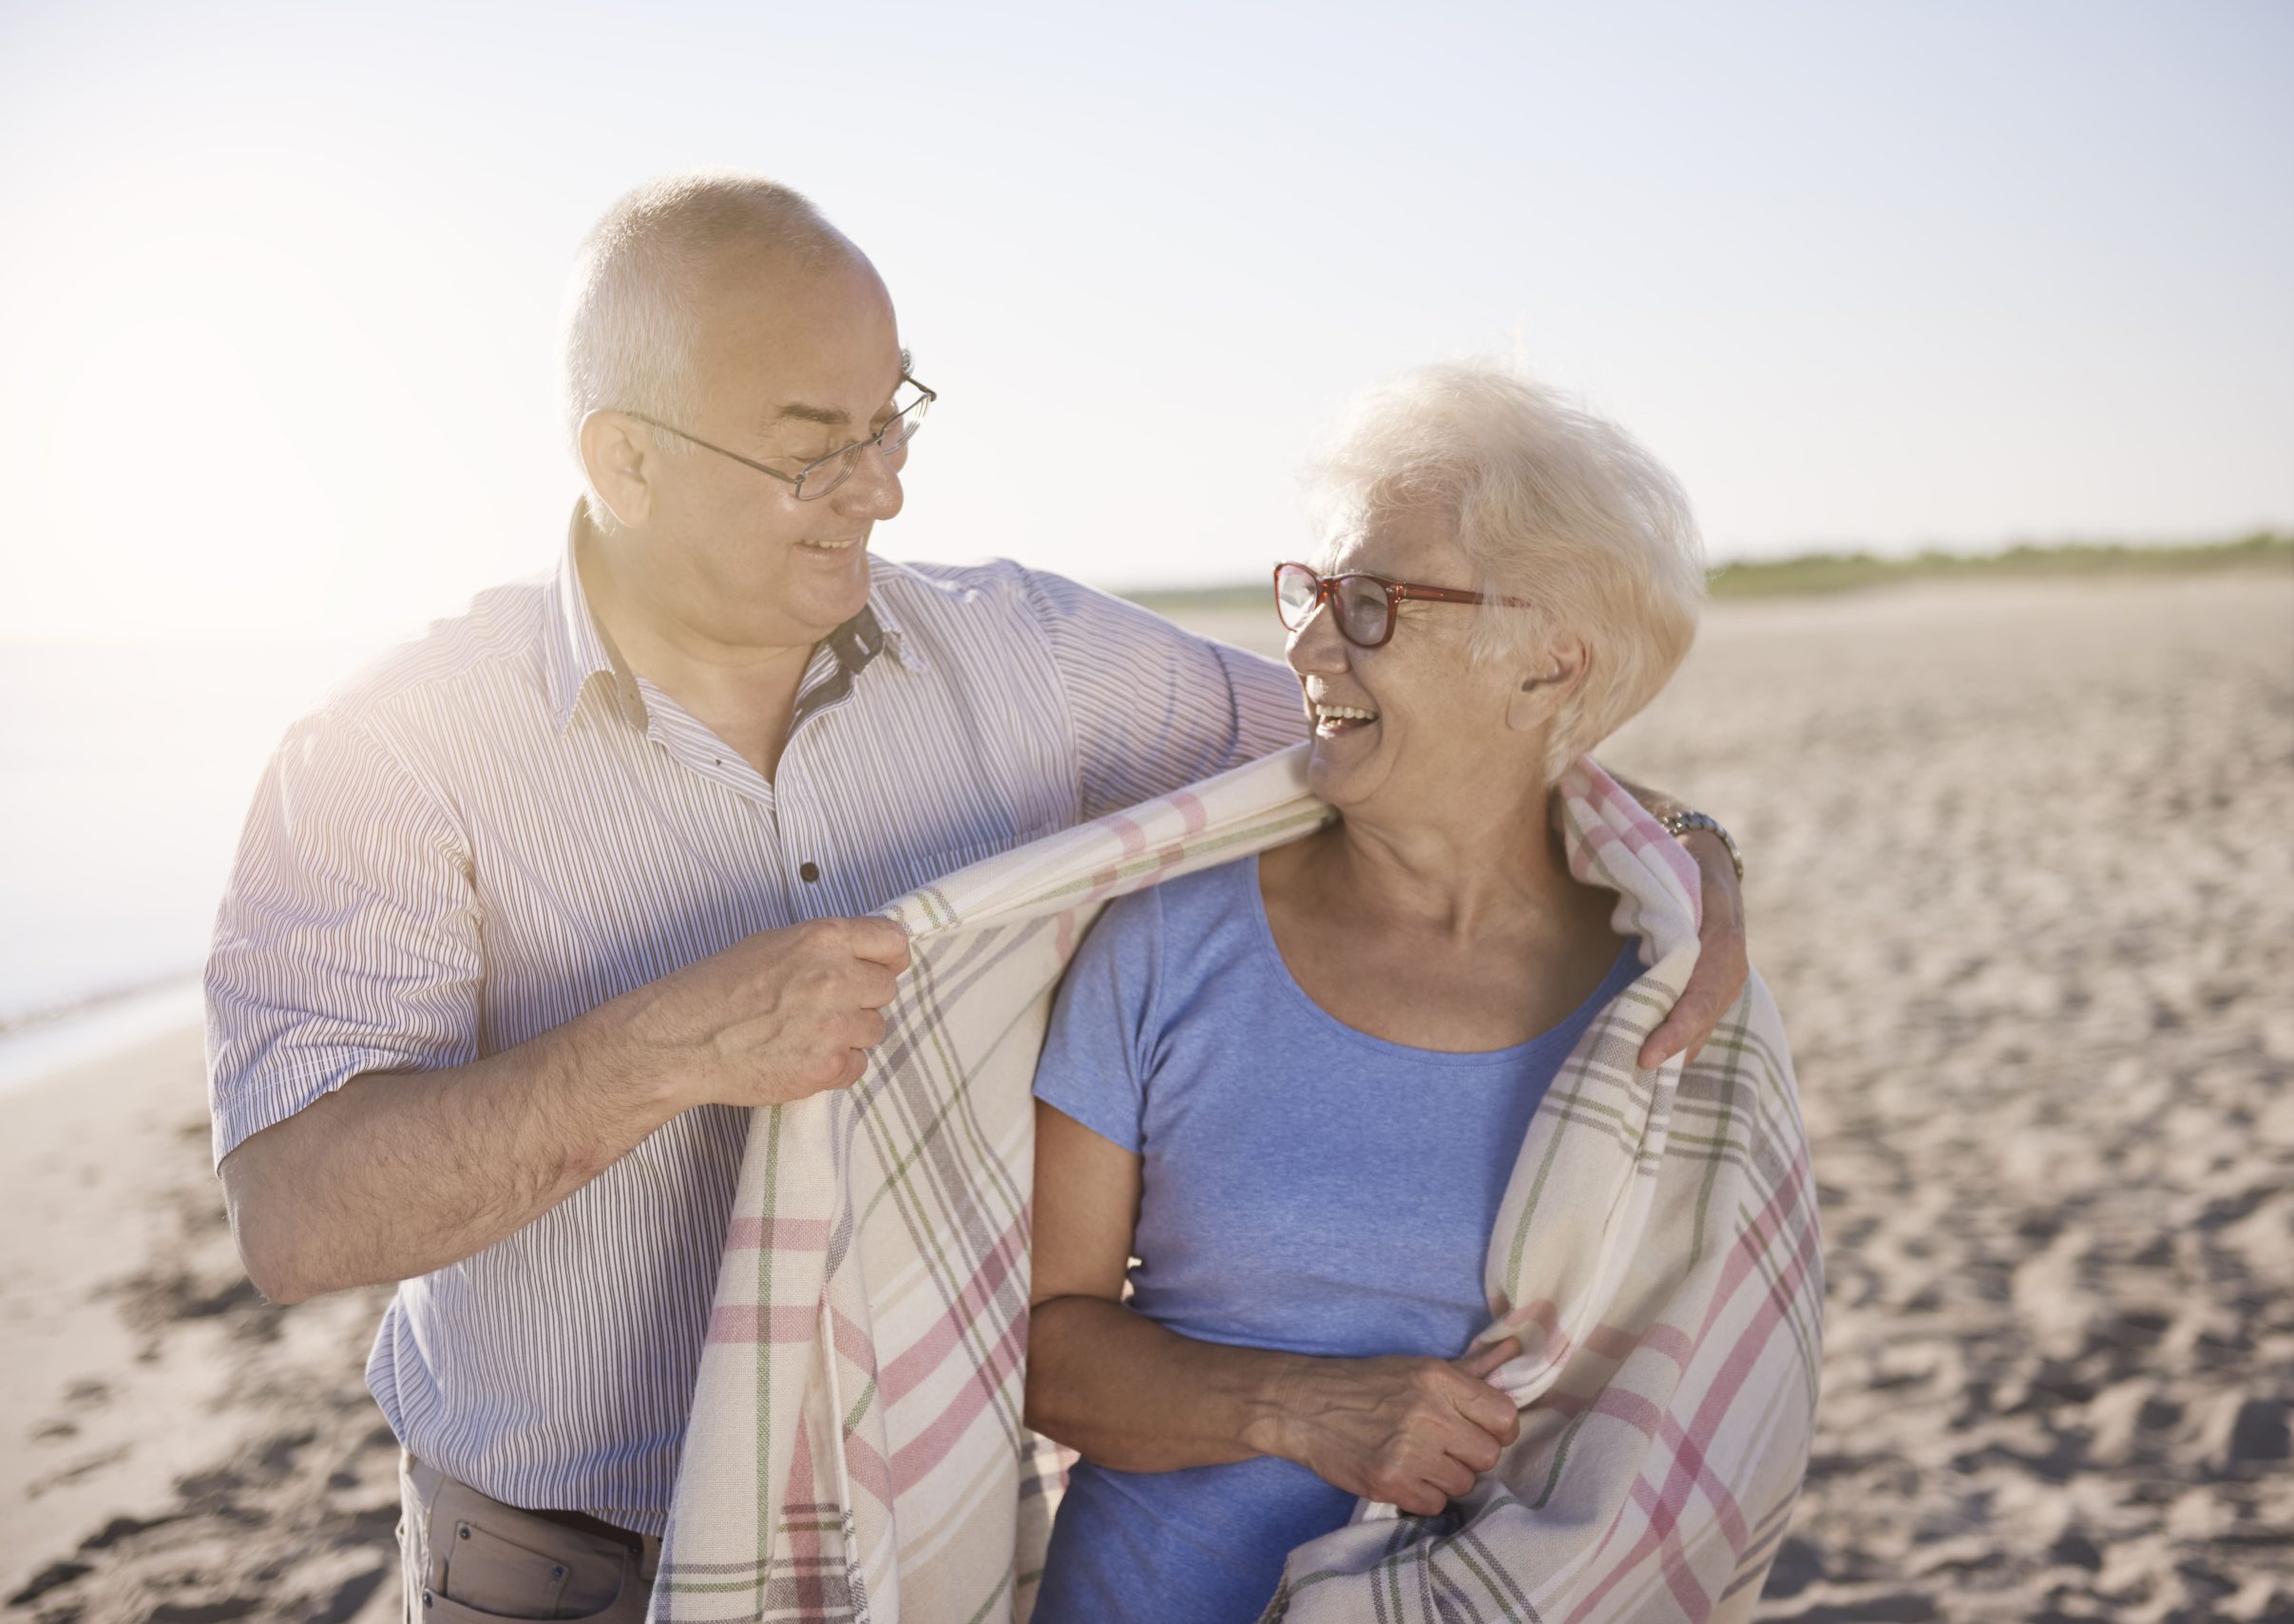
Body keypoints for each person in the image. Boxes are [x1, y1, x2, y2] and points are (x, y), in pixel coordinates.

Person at [204, 174, 1752, 1624]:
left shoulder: (1030, 661)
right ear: (626, 457)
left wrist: (1682, 848)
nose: (879, 489)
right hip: (559, 1568)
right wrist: (663, 1052)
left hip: (922, 1535)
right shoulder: (390, 751)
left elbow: (1418, 742)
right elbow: (295, 1217)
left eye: (896, 421)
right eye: (817, 443)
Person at [1024, 363, 1781, 1622]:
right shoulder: (1167, 936)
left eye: (1371, 603)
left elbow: (1704, 1420)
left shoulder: (1670, 997)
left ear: (1547, 662)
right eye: (1313, 591)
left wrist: (1701, 841)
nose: (1309, 643)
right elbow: (1042, 1343)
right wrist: (1305, 1407)